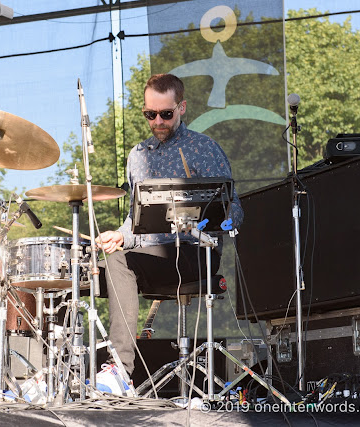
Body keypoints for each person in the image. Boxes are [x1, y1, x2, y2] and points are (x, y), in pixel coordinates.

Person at [94, 73, 243, 393]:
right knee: (96, 267)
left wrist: (227, 219)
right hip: (149, 254)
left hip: (195, 253)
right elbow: (136, 221)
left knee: (119, 264)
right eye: (150, 114)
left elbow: (235, 207)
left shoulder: (204, 149)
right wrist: (120, 235)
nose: (158, 121)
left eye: (166, 114)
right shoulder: (138, 156)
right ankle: (70, 371)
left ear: (182, 108)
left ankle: (120, 368)